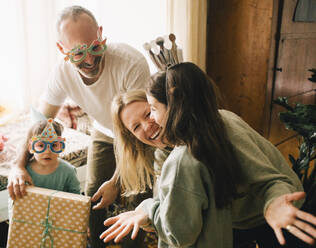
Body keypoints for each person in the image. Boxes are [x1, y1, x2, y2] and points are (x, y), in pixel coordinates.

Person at [100, 62, 316, 247]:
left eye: (150, 111)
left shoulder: (221, 127)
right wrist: (148, 211)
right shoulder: (165, 157)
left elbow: (267, 178)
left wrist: (274, 204)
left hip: (275, 216)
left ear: (174, 104)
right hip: (233, 223)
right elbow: (175, 212)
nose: (150, 124)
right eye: (136, 127)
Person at [7, 5, 151, 248]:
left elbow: (138, 133)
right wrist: (18, 165)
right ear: (61, 49)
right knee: (93, 197)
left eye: (96, 47)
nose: (90, 59)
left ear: (101, 33)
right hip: (105, 130)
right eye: (78, 54)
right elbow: (39, 124)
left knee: (134, 197)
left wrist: (117, 182)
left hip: (140, 133)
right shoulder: (61, 73)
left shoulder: (130, 62)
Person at [8, 118, 80, 218]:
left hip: (58, 218)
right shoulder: (24, 173)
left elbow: (76, 199)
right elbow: (15, 200)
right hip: (30, 219)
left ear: (61, 146)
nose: (47, 151)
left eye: (54, 145)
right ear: (30, 147)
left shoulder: (69, 171)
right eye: (41, 145)